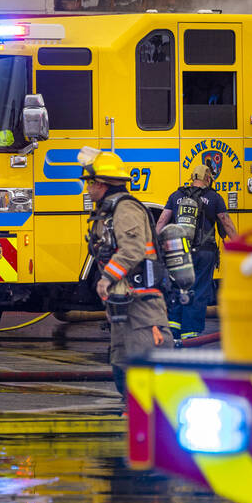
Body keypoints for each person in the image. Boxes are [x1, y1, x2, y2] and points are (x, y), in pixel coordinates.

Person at [82, 148, 174, 394]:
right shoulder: (109, 211)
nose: (86, 188)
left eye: (88, 182)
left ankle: (154, 416)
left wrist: (106, 278)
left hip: (142, 301)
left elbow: (132, 250)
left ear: (101, 183)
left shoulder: (126, 209)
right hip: (123, 300)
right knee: (121, 361)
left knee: (147, 359)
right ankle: (132, 414)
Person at [155, 162, 238, 341]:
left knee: (177, 288)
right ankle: (191, 335)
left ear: (193, 178)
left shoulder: (176, 195)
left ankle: (173, 329)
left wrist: (153, 247)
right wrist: (238, 245)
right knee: (198, 290)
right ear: (208, 178)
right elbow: (226, 222)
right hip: (204, 252)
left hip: (179, 251)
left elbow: (162, 221)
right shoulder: (214, 198)